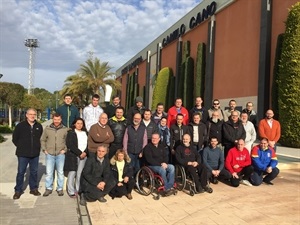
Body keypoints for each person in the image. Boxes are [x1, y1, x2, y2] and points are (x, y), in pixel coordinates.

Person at [12, 108, 43, 199]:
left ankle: (33, 188)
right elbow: (15, 139)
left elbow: (40, 138)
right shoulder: (20, 126)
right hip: (23, 154)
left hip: (35, 154)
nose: (32, 116)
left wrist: (37, 147)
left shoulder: (39, 126)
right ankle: (18, 190)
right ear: (26, 115)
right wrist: (21, 147)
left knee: (34, 172)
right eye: (30, 114)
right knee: (21, 172)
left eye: (34, 114)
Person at [41, 113, 68, 197]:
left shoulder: (65, 129)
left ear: (61, 120)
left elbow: (68, 141)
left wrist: (65, 150)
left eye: (58, 119)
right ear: (53, 119)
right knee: (49, 172)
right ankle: (48, 188)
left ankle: (60, 189)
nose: (56, 121)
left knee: (60, 172)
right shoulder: (47, 129)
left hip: (60, 154)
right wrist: (44, 149)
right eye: (55, 119)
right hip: (50, 154)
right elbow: (43, 139)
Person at [64, 118, 88, 198]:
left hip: (84, 155)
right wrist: (79, 153)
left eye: (81, 123)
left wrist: (85, 152)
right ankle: (71, 191)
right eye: (78, 123)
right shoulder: (71, 133)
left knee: (80, 173)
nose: (79, 125)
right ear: (74, 124)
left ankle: (78, 189)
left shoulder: (86, 133)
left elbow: (89, 144)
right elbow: (70, 145)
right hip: (74, 156)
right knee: (72, 172)